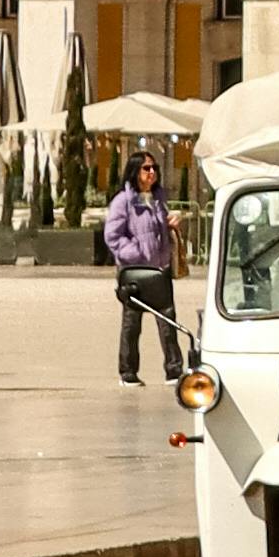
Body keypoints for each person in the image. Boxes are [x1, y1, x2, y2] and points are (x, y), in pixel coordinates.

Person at [101, 142, 185, 386]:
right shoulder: (123, 201)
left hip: (159, 269)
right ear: (135, 172)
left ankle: (174, 370)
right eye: (146, 168)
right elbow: (113, 236)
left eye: (154, 168)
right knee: (132, 322)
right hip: (134, 271)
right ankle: (128, 372)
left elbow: (156, 229)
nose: (152, 172)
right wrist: (136, 253)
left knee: (167, 319)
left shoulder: (158, 198)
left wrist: (169, 226)